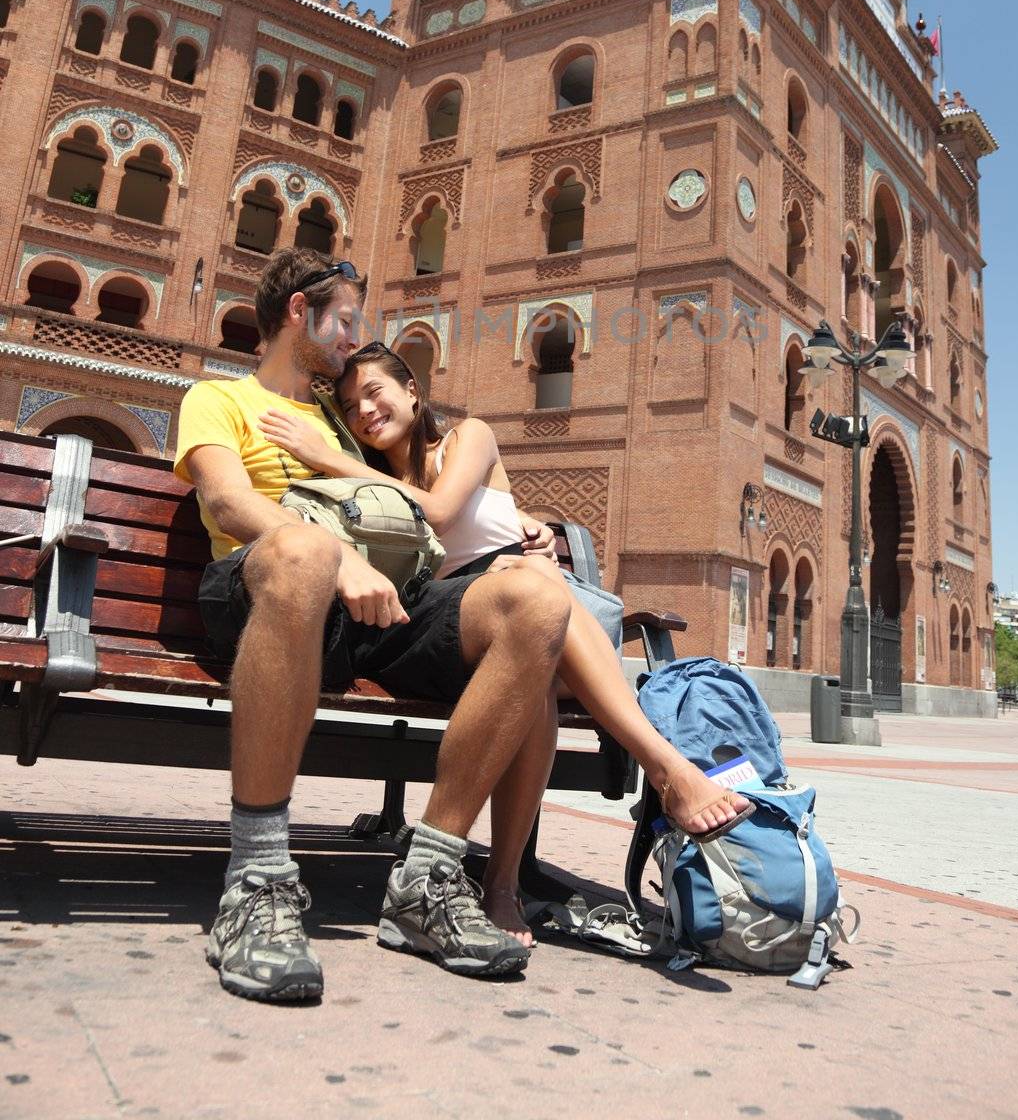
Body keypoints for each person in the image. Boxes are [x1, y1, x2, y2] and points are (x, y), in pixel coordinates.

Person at [176, 249, 578, 998]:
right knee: (299, 553)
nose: (353, 335)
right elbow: (229, 504)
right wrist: (332, 557)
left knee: (537, 601)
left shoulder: (343, 418)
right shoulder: (217, 399)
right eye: (346, 319)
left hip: (375, 608)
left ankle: (427, 878)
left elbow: (413, 492)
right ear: (300, 312)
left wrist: (520, 520)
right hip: (266, 589)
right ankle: (258, 881)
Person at [257, 338, 750, 948]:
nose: (364, 411)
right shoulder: (374, 480)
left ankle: (658, 777)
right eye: (352, 406)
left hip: (540, 611)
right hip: (469, 633)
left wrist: (333, 461)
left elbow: (440, 512)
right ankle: (504, 884)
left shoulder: (470, 437)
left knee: (535, 593)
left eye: (375, 392)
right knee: (531, 650)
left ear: (412, 389)